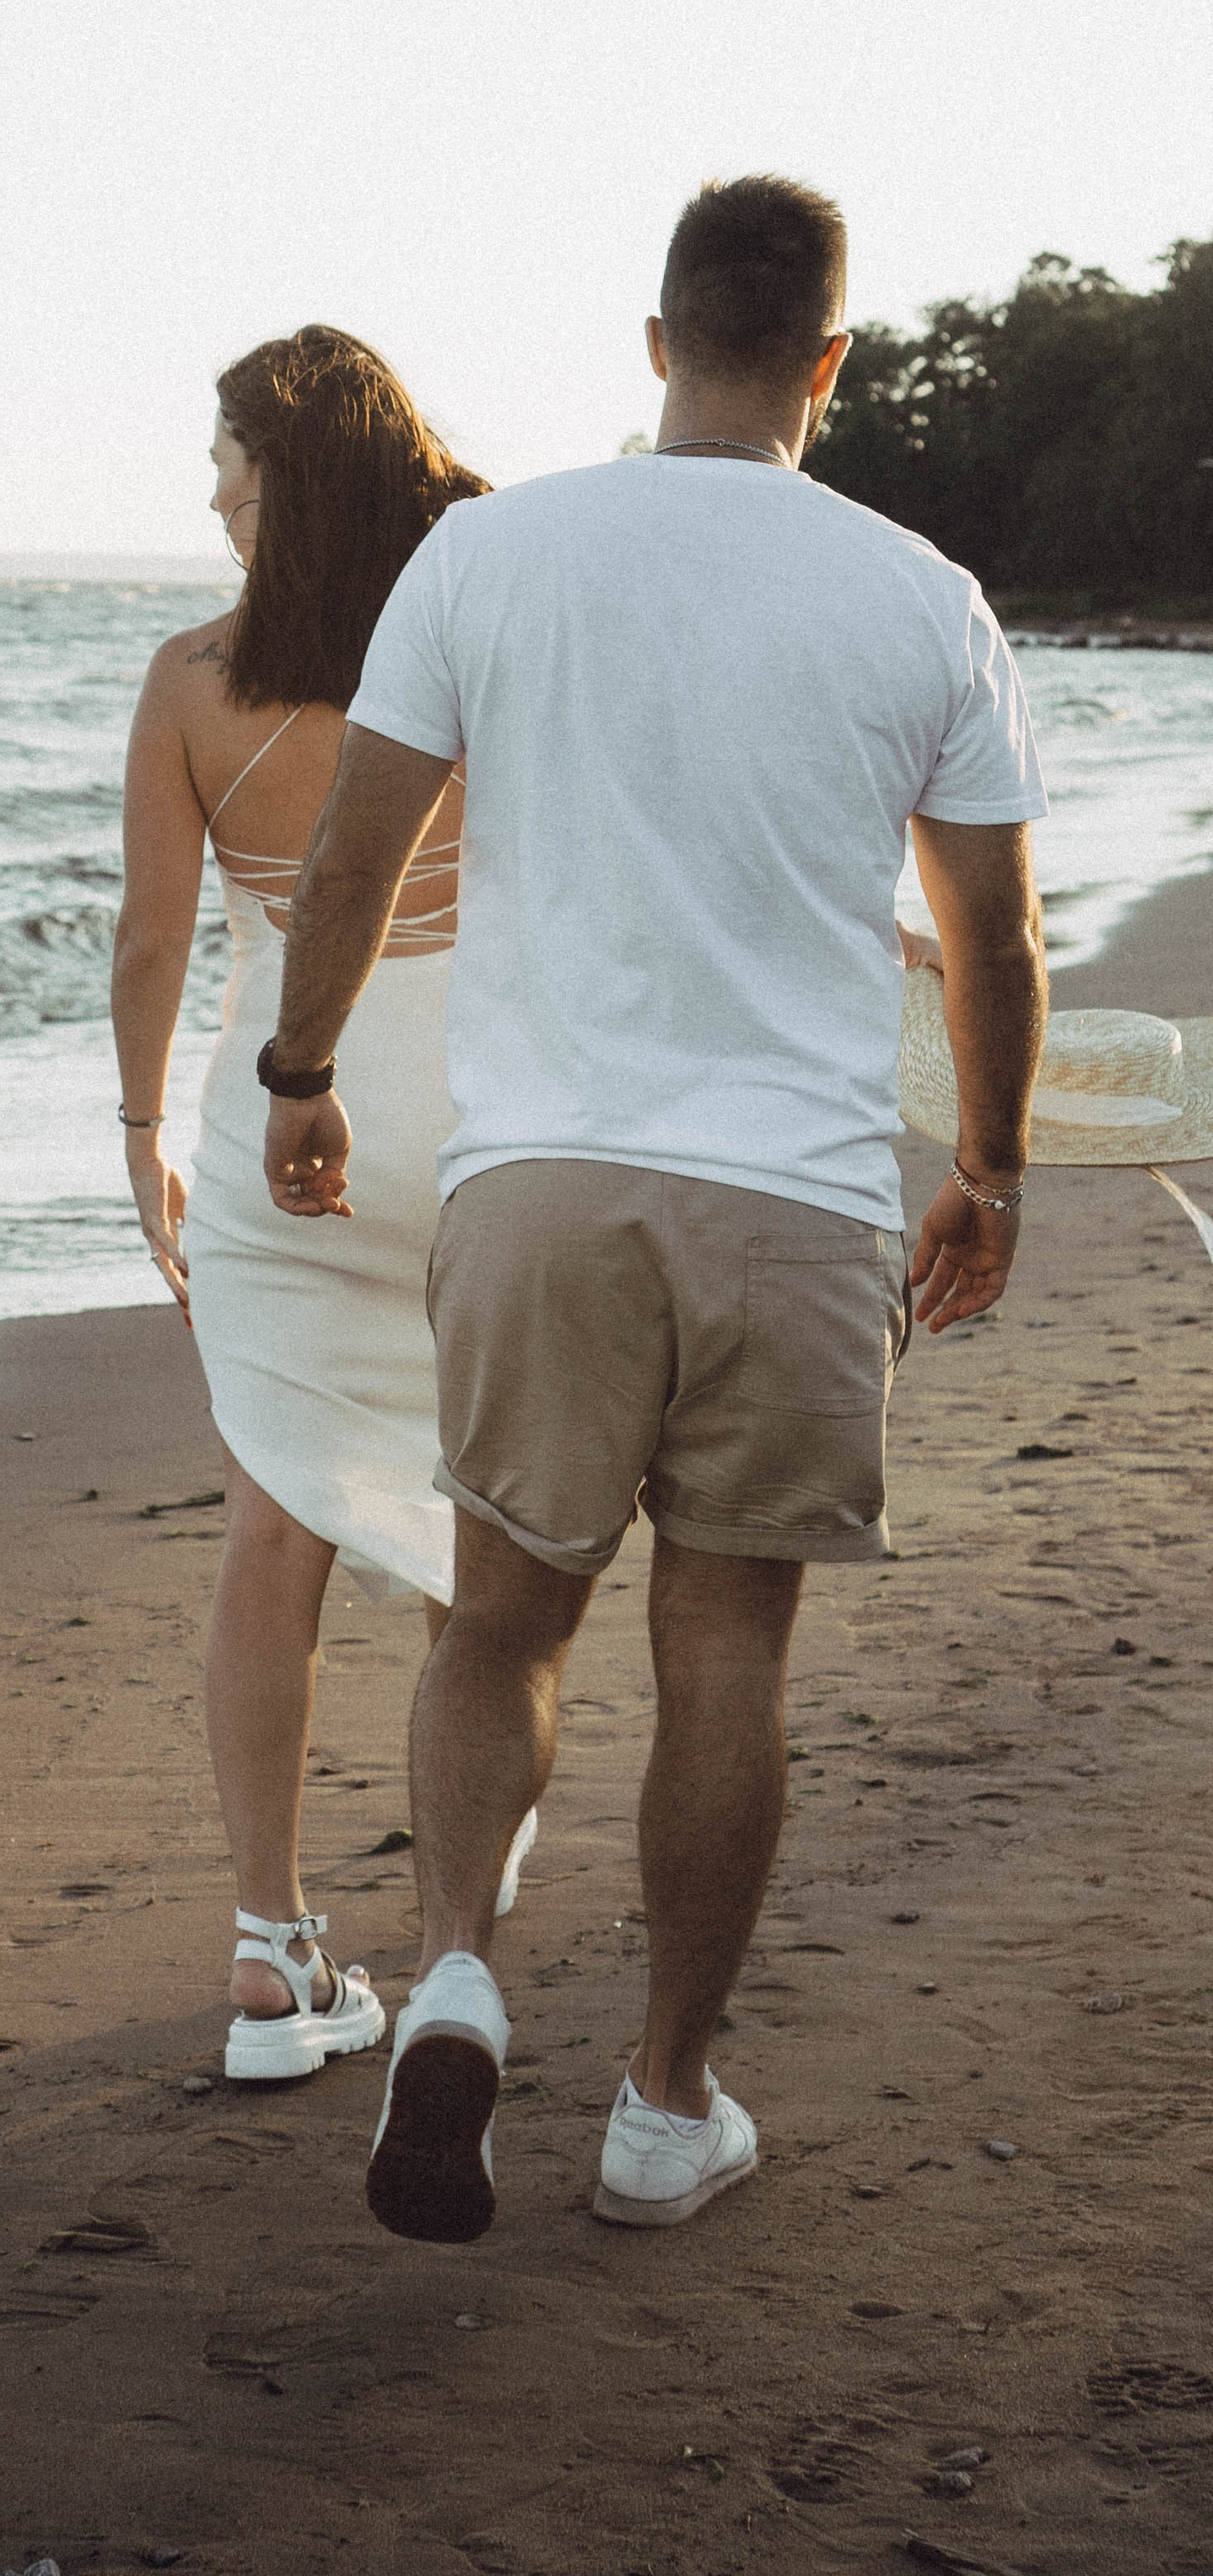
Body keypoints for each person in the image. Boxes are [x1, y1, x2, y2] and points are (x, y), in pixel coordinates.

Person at [260, 178, 1049, 2237]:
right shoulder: (920, 597)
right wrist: (990, 1170)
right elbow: (991, 939)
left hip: (541, 1188)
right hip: (787, 1204)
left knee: (500, 1615)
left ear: (650, 342)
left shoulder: (488, 554)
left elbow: (354, 855)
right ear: (830, 360)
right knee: (724, 1660)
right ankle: (659, 2106)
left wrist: (298, 1079)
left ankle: (449, 1977)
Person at [111, 326, 530, 2084]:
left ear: (298, 473)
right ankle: (453, 1947)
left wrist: (139, 1135)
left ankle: (272, 1955)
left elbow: (149, 940)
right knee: (473, 1534)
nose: (211, 492)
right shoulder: (488, 630)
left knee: (274, 1529)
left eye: (232, 460)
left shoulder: (191, 682)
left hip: (291, 1113)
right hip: (488, 1116)